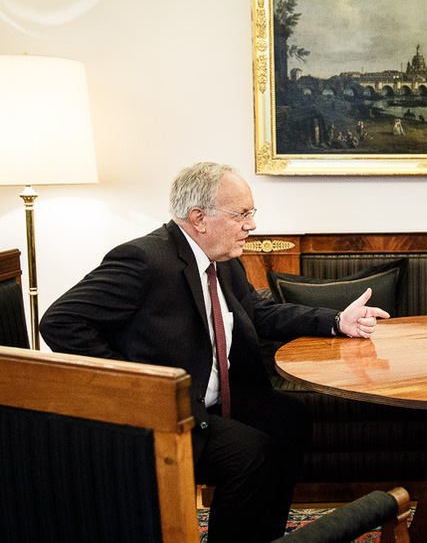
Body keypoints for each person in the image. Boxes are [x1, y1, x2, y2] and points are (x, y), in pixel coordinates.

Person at [40, 162, 391, 543]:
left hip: (217, 397)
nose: (252, 224)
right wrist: (137, 387)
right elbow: (61, 321)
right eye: (242, 214)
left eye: (250, 213)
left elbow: (258, 312)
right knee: (250, 453)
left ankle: (266, 537)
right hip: (165, 412)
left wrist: (337, 320)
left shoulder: (221, 260)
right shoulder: (144, 260)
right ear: (198, 217)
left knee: (291, 420)